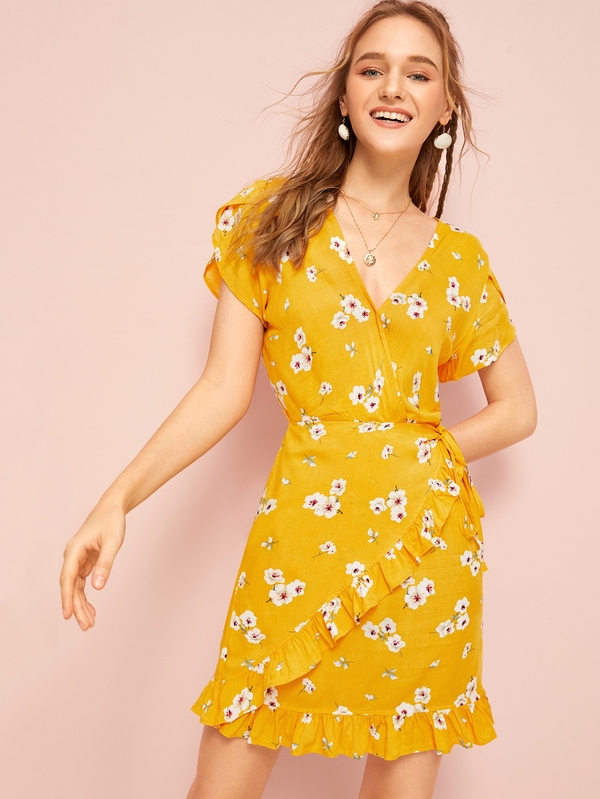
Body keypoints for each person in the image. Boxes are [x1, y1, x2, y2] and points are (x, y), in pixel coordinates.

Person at [60, 2, 537, 797]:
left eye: (419, 74)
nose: (393, 87)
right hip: (302, 541)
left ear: (446, 107)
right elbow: (222, 389)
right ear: (345, 94)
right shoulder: (272, 222)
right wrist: (117, 499)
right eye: (372, 68)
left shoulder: (460, 261)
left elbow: (518, 408)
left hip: (424, 550)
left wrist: (423, 453)